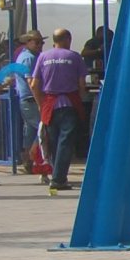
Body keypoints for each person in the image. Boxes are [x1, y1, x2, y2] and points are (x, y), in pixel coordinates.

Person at [30, 28, 87, 191]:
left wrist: (40, 103)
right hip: (69, 103)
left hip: (50, 104)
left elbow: (34, 85)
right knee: (65, 142)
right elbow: (82, 84)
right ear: (68, 39)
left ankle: (57, 175)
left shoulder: (43, 57)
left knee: (53, 142)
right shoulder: (75, 57)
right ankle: (58, 179)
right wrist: (80, 98)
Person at [0, 29, 43, 172]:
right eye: (37, 42)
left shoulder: (25, 56)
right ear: (28, 42)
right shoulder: (29, 58)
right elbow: (31, 82)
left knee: (30, 130)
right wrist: (40, 101)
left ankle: (28, 159)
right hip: (31, 98)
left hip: (26, 98)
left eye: (41, 42)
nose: (40, 45)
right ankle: (32, 155)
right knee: (44, 128)